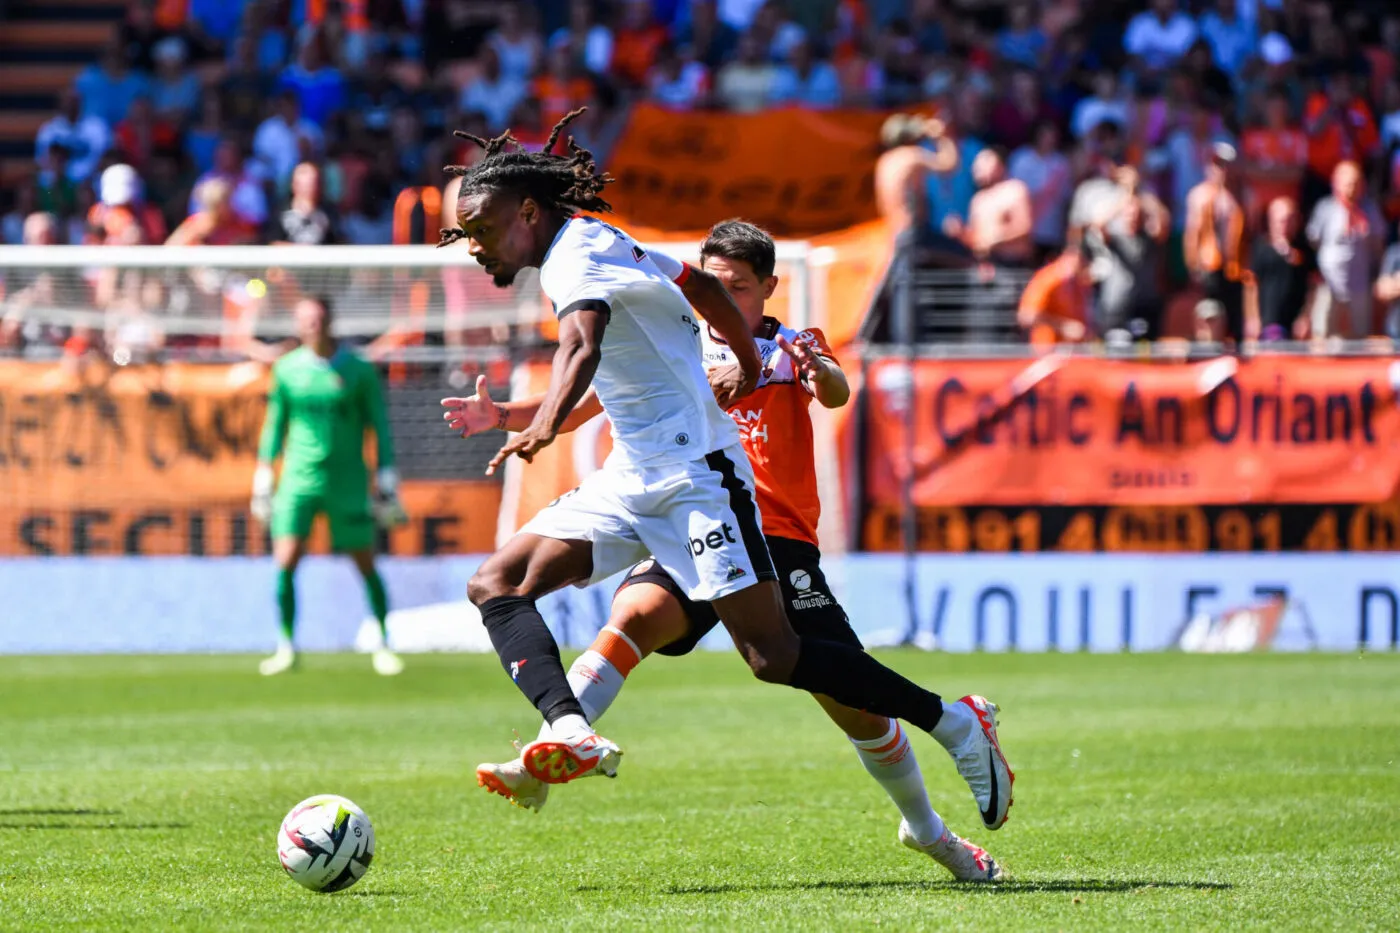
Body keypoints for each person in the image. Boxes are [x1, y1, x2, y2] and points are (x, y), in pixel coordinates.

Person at [434, 110, 1013, 835]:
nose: (475, 248)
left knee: (773, 657)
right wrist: (737, 356)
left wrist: (547, 420)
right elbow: (702, 293)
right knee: (498, 584)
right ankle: (568, 727)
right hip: (633, 478)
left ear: (526, 211)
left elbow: (581, 344)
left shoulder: (575, 258)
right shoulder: (600, 243)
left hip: (701, 481)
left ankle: (952, 721)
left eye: (481, 229)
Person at [251, 296, 408, 677]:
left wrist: (386, 476)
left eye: (318, 319)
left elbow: (379, 426)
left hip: (348, 480)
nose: (313, 327)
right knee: (285, 561)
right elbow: (276, 424)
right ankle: (286, 645)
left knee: (365, 561)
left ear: (330, 321)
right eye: (305, 320)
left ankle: (383, 643)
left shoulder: (358, 370)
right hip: (299, 480)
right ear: (296, 325)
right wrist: (263, 473)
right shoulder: (287, 370)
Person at [1306, 160, 1383, 338]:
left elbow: (1377, 247)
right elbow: (1314, 240)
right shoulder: (1325, 208)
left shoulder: (1370, 210)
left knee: (1360, 334)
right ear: (1336, 183)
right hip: (1328, 281)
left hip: (1359, 282)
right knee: (1323, 331)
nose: (1351, 188)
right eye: (1348, 183)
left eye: (1356, 183)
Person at [1183, 143, 1246, 342]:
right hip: (1209, 266)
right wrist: (1193, 266)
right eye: (1217, 164)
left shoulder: (1240, 196)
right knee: (1210, 314)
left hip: (1235, 268)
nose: (1221, 170)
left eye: (1225, 165)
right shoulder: (1199, 195)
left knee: (1234, 317)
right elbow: (1192, 234)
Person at [1247, 197, 1315, 342]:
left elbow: (1312, 285)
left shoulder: (1303, 250)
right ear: (1271, 221)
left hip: (1295, 325)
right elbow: (1251, 285)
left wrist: (1306, 317)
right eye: (1281, 220)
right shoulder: (1261, 248)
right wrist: (1253, 318)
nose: (1285, 225)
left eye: (1290, 220)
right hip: (1268, 321)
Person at [964, 149, 1035, 267]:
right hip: (986, 267)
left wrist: (995, 240)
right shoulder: (978, 200)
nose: (979, 167)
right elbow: (976, 239)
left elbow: (1024, 227)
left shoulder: (1014, 190)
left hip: (1013, 265)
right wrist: (961, 233)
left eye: (985, 161)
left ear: (999, 164)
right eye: (977, 164)